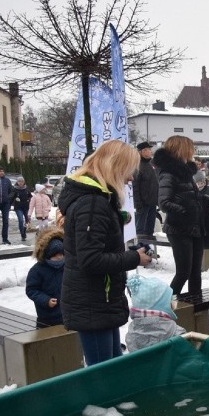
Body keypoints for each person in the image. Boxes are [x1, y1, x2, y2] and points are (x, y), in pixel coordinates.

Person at [57, 140, 152, 365]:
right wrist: (135, 258)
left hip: (101, 299)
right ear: (115, 168)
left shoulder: (97, 201)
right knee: (103, 374)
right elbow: (91, 260)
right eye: (129, 172)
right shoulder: (92, 203)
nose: (130, 179)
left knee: (114, 367)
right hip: (92, 302)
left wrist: (114, 219)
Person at [153, 135, 208, 296]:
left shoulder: (185, 171)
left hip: (195, 227)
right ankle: (165, 305)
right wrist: (185, 211)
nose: (192, 152)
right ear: (181, 149)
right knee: (184, 271)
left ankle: (197, 307)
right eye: (190, 148)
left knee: (195, 272)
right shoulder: (169, 173)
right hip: (179, 228)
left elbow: (188, 195)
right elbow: (164, 202)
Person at [125, 273, 185, 352]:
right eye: (169, 300)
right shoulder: (176, 332)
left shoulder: (131, 336)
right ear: (161, 307)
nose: (173, 302)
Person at [25, 227, 65, 328]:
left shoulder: (67, 267)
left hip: (66, 314)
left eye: (61, 254)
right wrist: (45, 300)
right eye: (56, 255)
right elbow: (31, 290)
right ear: (48, 254)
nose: (59, 258)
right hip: (46, 316)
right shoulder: (37, 270)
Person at [132, 141, 159, 239]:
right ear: (140, 152)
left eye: (150, 149)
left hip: (152, 203)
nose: (149, 152)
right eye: (146, 150)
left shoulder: (151, 165)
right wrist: (137, 203)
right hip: (142, 204)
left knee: (149, 230)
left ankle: (149, 250)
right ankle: (140, 250)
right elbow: (135, 186)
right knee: (140, 230)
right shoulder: (137, 166)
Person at [10, 176, 32, 242]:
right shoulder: (14, 189)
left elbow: (30, 196)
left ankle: (24, 231)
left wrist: (29, 199)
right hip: (18, 207)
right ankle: (22, 234)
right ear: (17, 182)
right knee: (20, 220)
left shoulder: (26, 188)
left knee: (27, 220)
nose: (21, 183)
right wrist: (9, 205)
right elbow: (11, 197)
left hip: (26, 207)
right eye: (19, 181)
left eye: (22, 181)